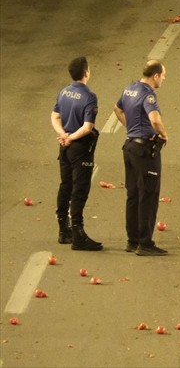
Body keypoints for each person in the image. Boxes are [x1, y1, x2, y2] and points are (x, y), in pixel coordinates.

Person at [115, 60, 169, 256]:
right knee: (148, 195)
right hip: (145, 151)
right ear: (155, 75)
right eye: (163, 75)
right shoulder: (148, 94)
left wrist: (131, 129)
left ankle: (133, 240)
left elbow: (117, 109)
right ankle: (145, 243)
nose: (163, 78)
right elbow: (154, 119)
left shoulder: (130, 88)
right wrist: (163, 134)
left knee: (133, 194)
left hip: (129, 146)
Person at [51, 56, 101, 250]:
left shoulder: (63, 92)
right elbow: (88, 127)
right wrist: (72, 137)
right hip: (80, 148)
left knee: (65, 186)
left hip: (64, 147)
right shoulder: (89, 96)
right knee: (79, 190)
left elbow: (55, 116)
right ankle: (78, 234)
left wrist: (63, 134)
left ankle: (63, 230)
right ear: (86, 72)